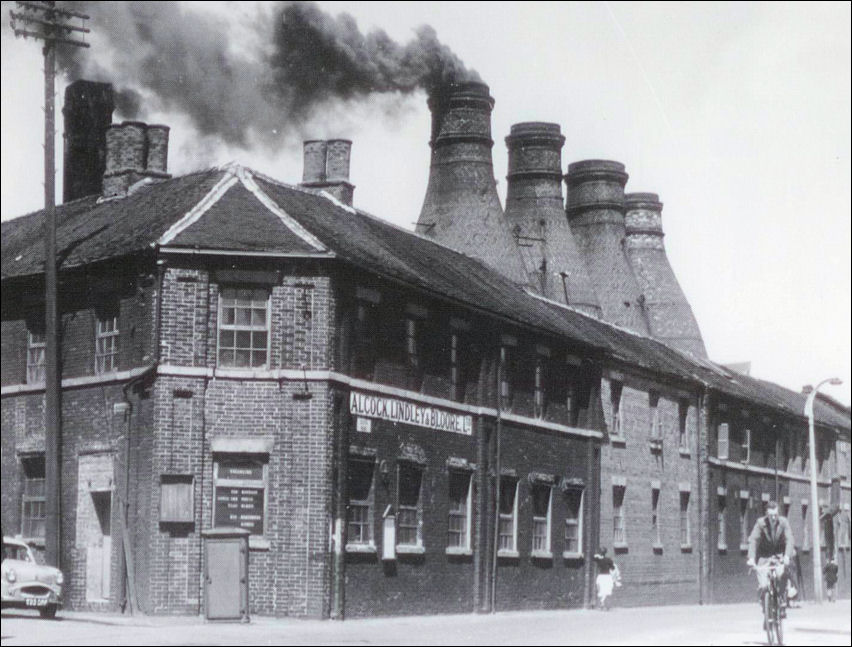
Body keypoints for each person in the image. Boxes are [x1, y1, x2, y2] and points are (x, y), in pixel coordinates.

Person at [746, 501, 794, 616]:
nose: (773, 517)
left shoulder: (783, 522)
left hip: (779, 555)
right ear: (766, 514)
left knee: (781, 574)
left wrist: (787, 556)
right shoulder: (760, 523)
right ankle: (765, 609)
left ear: (778, 513)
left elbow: (790, 539)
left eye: (775, 515)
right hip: (764, 556)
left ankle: (782, 600)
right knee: (763, 585)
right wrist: (751, 558)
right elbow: (753, 540)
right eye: (770, 515)